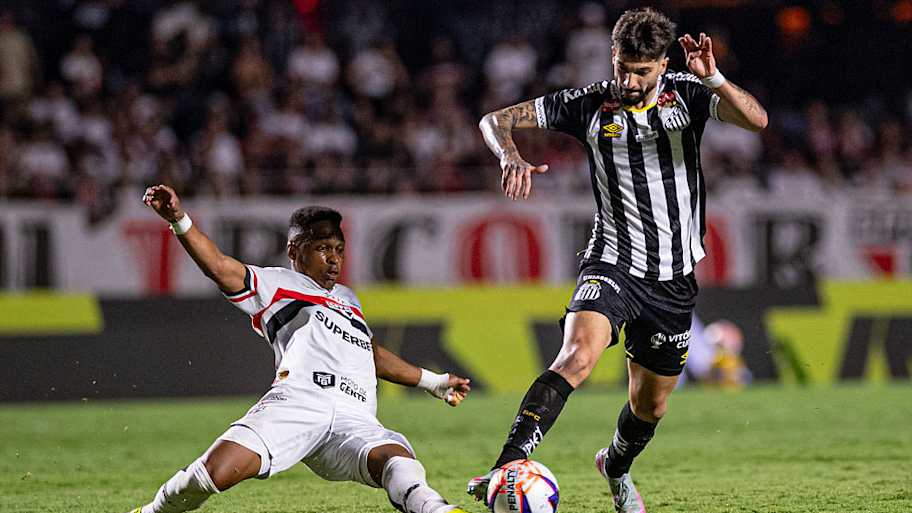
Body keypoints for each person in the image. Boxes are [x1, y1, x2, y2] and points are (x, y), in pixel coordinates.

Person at [468, 7, 767, 513]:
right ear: (612, 55)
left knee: (649, 405)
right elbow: (493, 120)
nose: (629, 79)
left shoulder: (689, 94)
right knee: (577, 356)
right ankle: (507, 467)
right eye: (622, 66)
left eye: (641, 70)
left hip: (673, 279)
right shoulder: (588, 103)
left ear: (662, 64)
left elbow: (756, 120)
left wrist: (713, 77)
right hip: (612, 262)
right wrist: (509, 153)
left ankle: (617, 466)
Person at [126, 184, 472, 513]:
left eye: (338, 249)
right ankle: (154, 509)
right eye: (323, 248)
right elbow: (218, 267)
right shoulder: (277, 284)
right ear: (295, 250)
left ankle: (439, 509)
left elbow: (372, 354)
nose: (334, 259)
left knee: (398, 461)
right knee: (211, 474)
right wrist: (178, 219)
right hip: (299, 402)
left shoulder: (348, 298)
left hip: (355, 417)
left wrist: (434, 382)